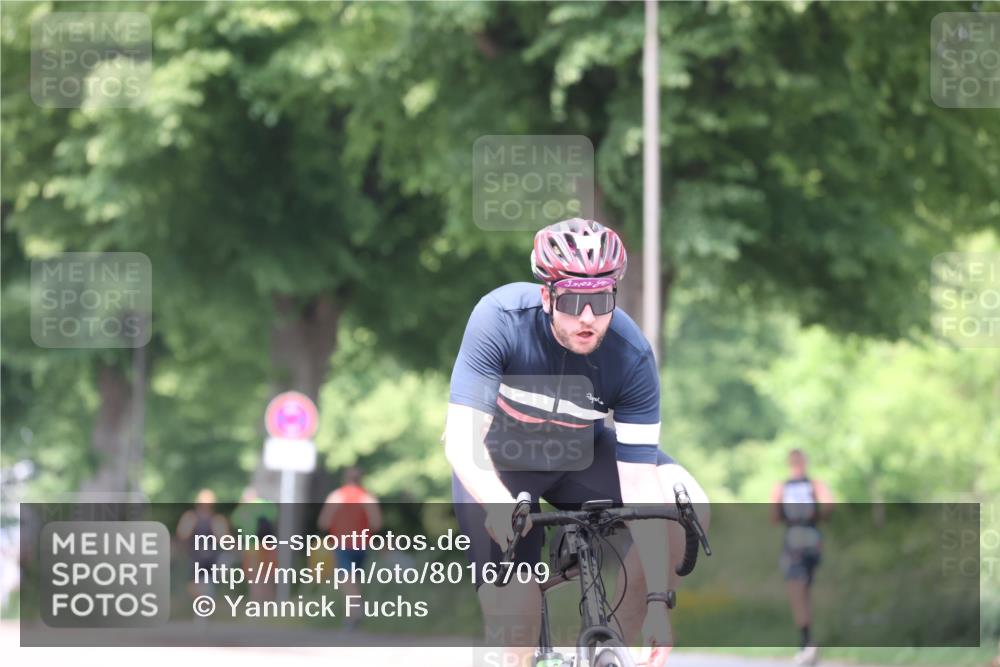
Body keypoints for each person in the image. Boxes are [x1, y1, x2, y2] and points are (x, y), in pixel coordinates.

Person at [445, 218, 710, 667]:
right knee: (517, 629)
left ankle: (618, 648)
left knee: (685, 504)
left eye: (601, 300)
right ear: (547, 295)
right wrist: (495, 503)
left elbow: (640, 480)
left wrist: (658, 605)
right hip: (500, 464)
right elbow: (461, 440)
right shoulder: (500, 319)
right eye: (572, 300)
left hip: (580, 456)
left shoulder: (631, 354)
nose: (588, 317)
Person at [770, 449, 834, 666]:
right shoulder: (815, 485)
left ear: (790, 463)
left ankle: (806, 642)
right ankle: (808, 641)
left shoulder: (782, 487)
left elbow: (773, 516)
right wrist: (815, 516)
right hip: (813, 538)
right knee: (805, 589)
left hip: (794, 540)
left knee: (797, 592)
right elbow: (829, 506)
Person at [318, 466, 383, 628]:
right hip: (362, 544)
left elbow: (323, 522)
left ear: (345, 478)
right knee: (355, 581)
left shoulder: (337, 496)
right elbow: (377, 524)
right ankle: (351, 617)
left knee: (347, 581)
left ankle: (354, 612)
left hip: (343, 544)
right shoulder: (367, 497)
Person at [176, 488, 230, 601]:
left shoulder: (216, 519)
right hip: (195, 555)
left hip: (211, 556)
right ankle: (203, 600)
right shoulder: (191, 517)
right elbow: (182, 534)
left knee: (207, 582)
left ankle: (205, 602)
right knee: (193, 586)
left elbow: (224, 539)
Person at [230, 486, 278, 602]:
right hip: (268, 544)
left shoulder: (243, 509)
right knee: (267, 575)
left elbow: (235, 521)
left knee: (254, 575)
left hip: (252, 545)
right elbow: (274, 515)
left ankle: (256, 601)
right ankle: (268, 601)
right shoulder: (265, 505)